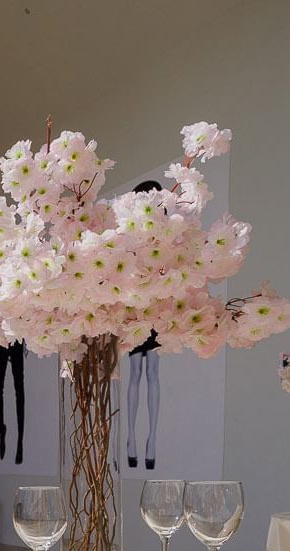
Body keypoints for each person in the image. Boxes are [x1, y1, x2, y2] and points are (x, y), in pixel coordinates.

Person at [125, 179, 166, 469]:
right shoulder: (132, 235)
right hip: (137, 307)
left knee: (149, 369)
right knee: (139, 370)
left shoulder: (164, 233)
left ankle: (149, 439)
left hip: (156, 305)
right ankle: (132, 438)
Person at [0, 338, 25, 464]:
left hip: (16, 341)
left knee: (18, 390)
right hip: (3, 340)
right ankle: (1, 428)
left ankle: (19, 442)